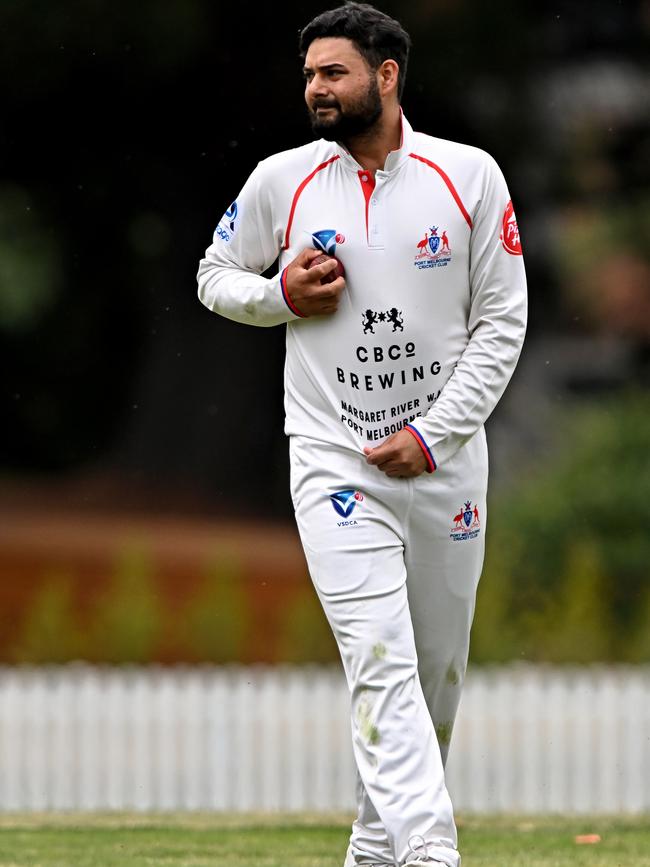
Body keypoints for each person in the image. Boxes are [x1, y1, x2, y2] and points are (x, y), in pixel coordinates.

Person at [197, 3, 527, 864]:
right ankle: (432, 852)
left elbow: (503, 323)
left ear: (386, 76)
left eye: (332, 73)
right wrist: (279, 298)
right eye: (309, 75)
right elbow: (213, 274)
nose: (315, 89)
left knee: (434, 680)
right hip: (334, 462)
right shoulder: (284, 179)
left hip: (445, 465)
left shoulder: (470, 176)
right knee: (378, 659)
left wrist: (433, 435)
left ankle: (376, 851)